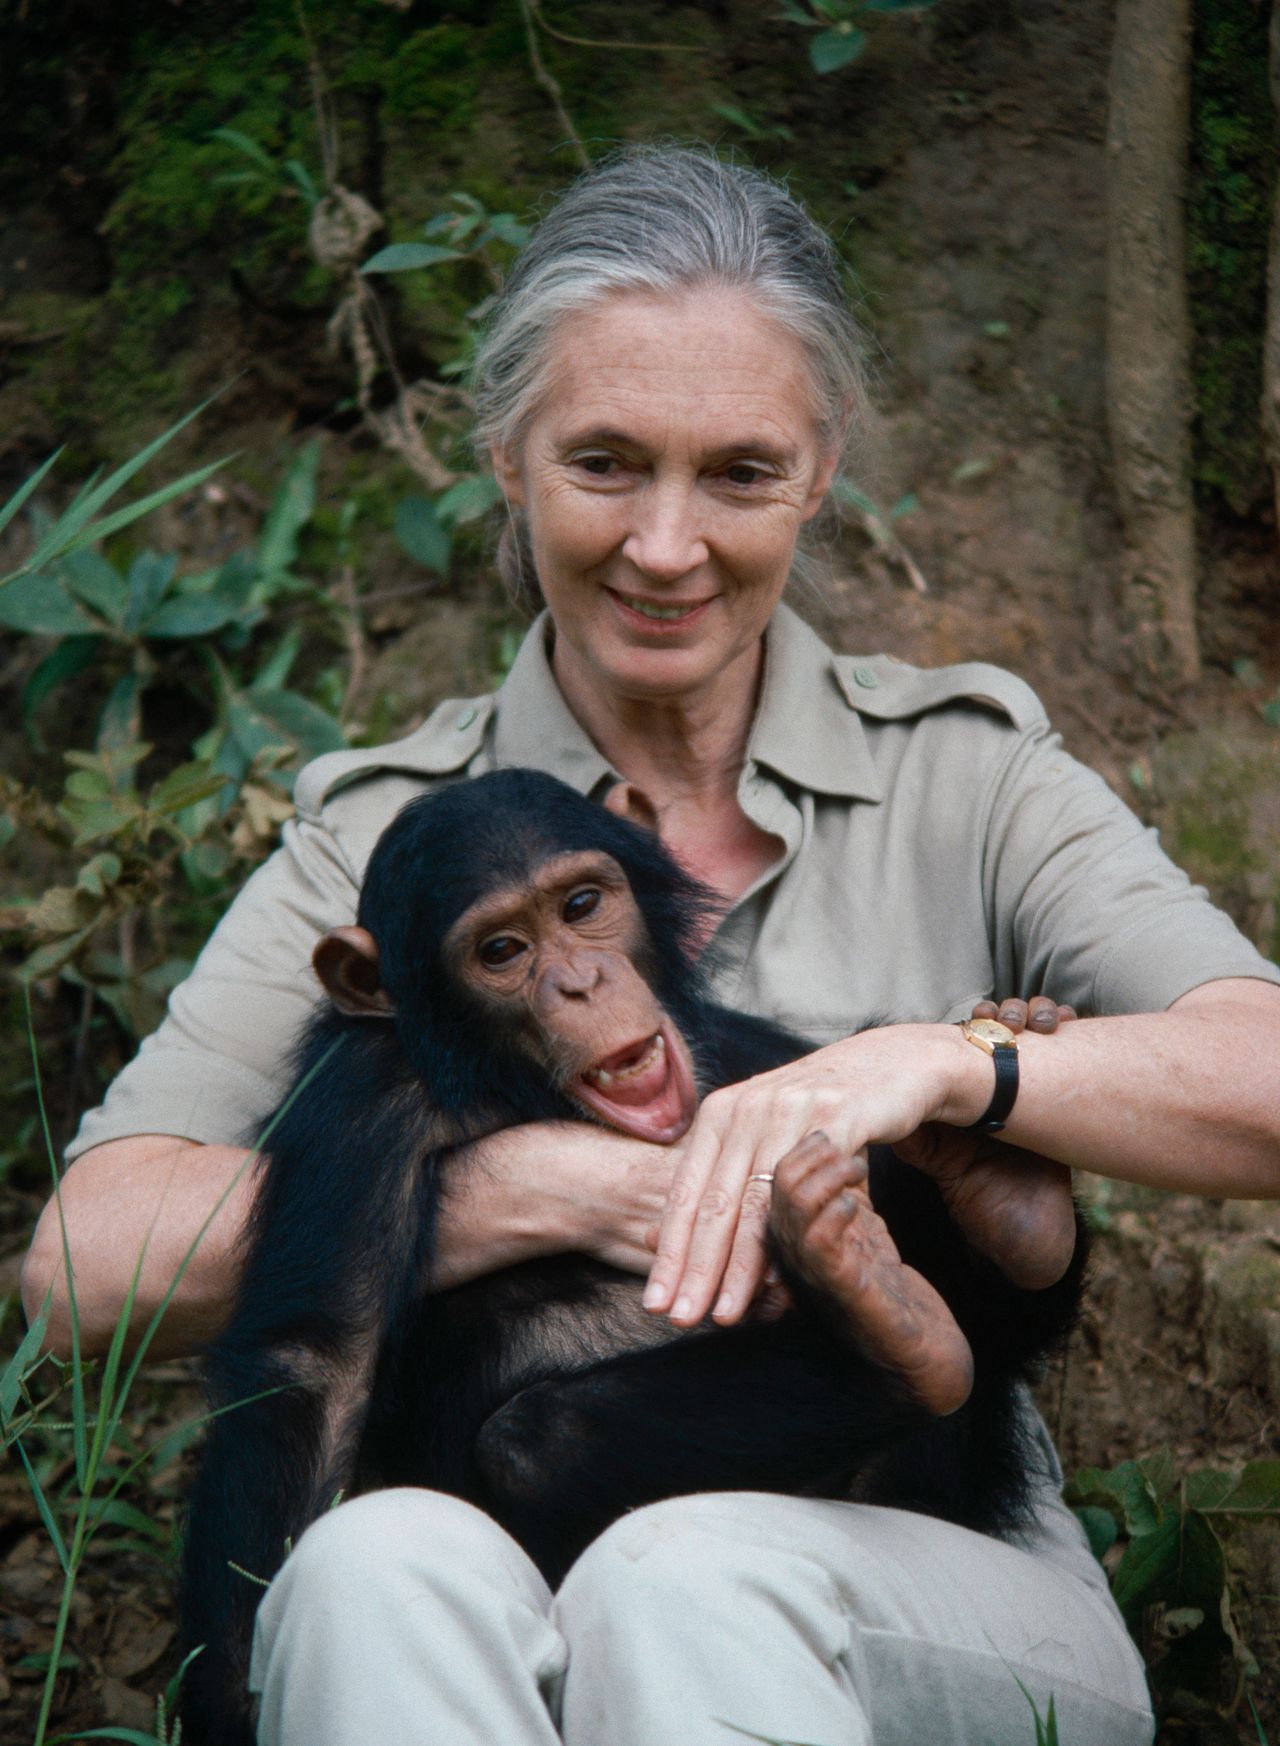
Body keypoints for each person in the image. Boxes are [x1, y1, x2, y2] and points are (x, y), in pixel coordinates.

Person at [22, 146, 1280, 1746]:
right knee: (363, 1569)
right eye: (605, 462)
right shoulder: (381, 839)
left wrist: (939, 1065)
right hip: (496, 1511)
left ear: (821, 467)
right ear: (508, 456)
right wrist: (517, 1187)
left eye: (739, 471)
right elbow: (86, 1265)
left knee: (682, 1575)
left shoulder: (968, 775)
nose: (666, 546)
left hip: (908, 1541)